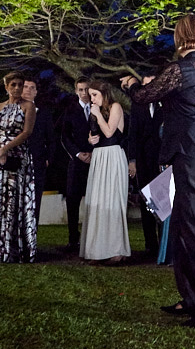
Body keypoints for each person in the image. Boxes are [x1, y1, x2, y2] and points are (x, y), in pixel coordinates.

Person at [121, 13, 195, 328]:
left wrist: (129, 85)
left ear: (180, 37)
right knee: (183, 228)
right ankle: (192, 300)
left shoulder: (180, 69)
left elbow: (143, 96)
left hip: (193, 153)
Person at [0, 72, 37, 263]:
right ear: (6, 87)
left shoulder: (28, 106)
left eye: (20, 85)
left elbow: (27, 132)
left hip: (18, 156)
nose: (17, 88)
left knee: (14, 200)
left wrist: (5, 149)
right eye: (13, 85)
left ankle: (14, 249)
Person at [80, 80, 133, 263]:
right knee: (97, 202)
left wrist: (97, 116)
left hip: (113, 156)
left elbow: (110, 132)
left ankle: (116, 250)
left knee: (112, 202)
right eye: (90, 94)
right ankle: (97, 250)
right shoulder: (96, 112)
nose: (91, 98)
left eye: (95, 94)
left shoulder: (116, 107)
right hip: (99, 157)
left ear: (104, 94)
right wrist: (91, 139)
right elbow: (98, 134)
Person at [58, 76, 92, 252]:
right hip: (77, 161)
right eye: (81, 90)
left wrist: (94, 154)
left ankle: (93, 238)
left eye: (87, 89)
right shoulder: (70, 110)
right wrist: (78, 154)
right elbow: (64, 136)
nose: (84, 93)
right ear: (76, 90)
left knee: (96, 200)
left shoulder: (98, 107)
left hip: (96, 160)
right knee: (72, 199)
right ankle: (73, 239)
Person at [128, 97, 164, 259]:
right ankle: (150, 244)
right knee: (146, 201)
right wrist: (132, 161)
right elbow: (132, 134)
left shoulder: (166, 103)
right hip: (143, 161)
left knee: (162, 202)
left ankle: (164, 243)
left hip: (161, 160)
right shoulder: (138, 106)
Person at [23, 77, 57, 224]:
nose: (29, 90)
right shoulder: (11, 110)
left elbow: (51, 138)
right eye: (26, 87)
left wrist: (48, 159)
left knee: (35, 202)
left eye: (32, 87)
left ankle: (31, 240)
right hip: (15, 161)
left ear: (36, 92)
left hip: (37, 163)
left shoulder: (44, 113)